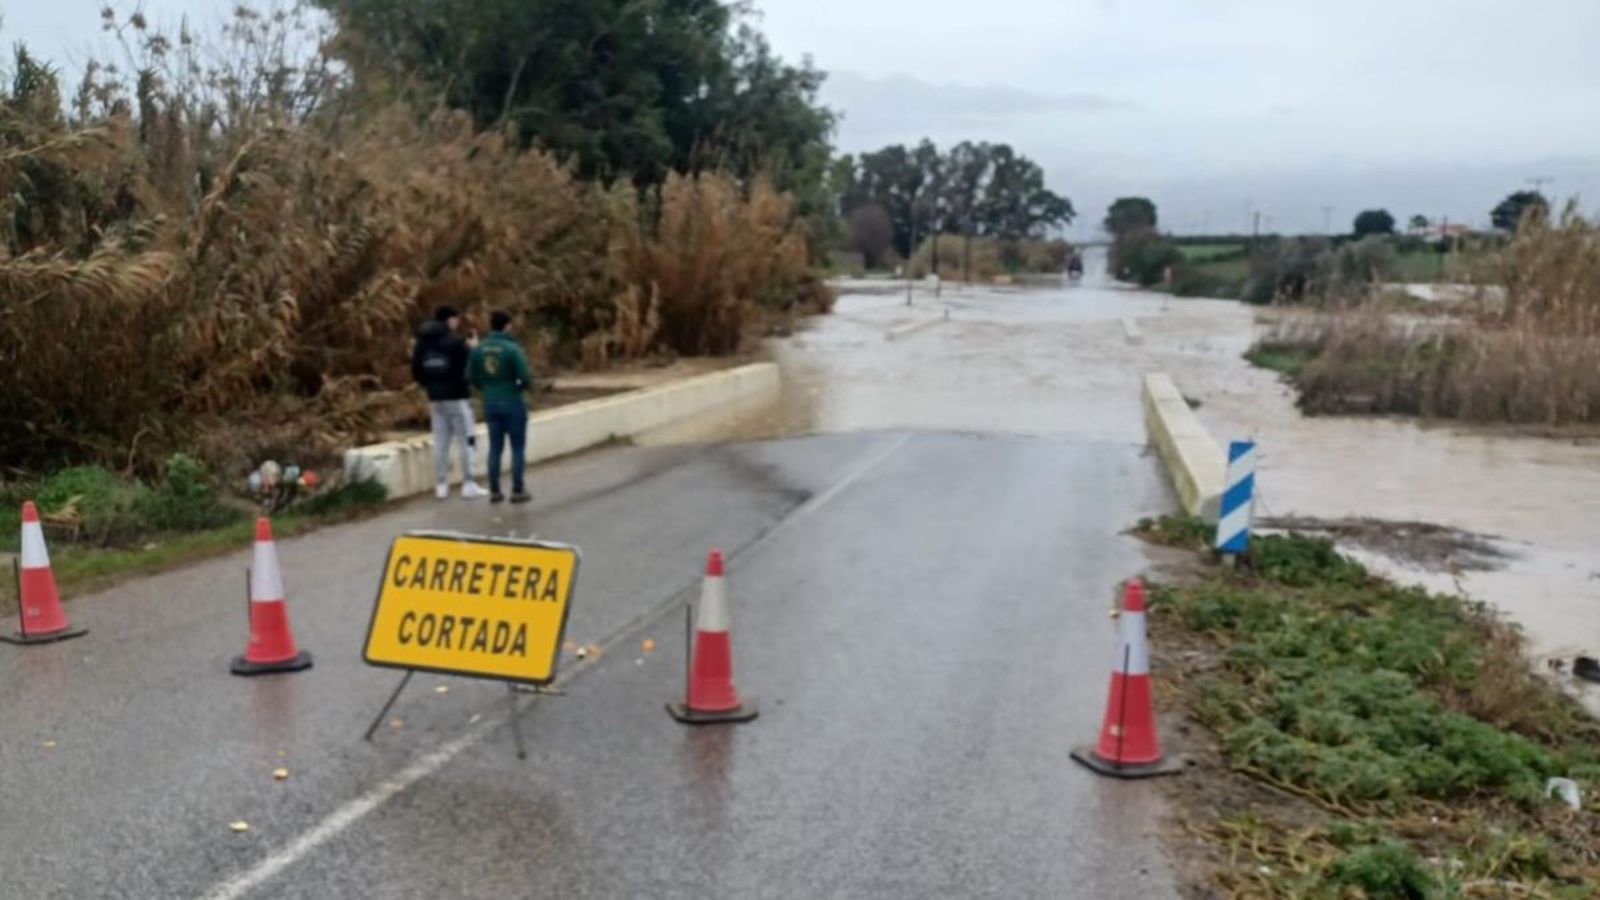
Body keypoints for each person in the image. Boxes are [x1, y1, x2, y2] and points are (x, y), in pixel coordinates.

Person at [411, 305, 485, 500]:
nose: (457, 323)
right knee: (466, 439)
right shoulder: (455, 343)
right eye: (456, 319)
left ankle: (441, 484)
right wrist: (473, 349)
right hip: (458, 397)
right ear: (449, 320)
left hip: (435, 398)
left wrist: (431, 385)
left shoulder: (422, 343)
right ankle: (468, 483)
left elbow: (417, 371)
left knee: (441, 441)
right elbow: (468, 369)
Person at [469, 309, 534, 504]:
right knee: (517, 447)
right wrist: (519, 388)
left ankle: (495, 490)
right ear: (507, 326)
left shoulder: (479, 349)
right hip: (512, 401)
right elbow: (525, 377)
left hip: (491, 402)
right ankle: (517, 489)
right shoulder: (512, 349)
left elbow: (471, 377)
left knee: (495, 447)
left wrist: (486, 388)